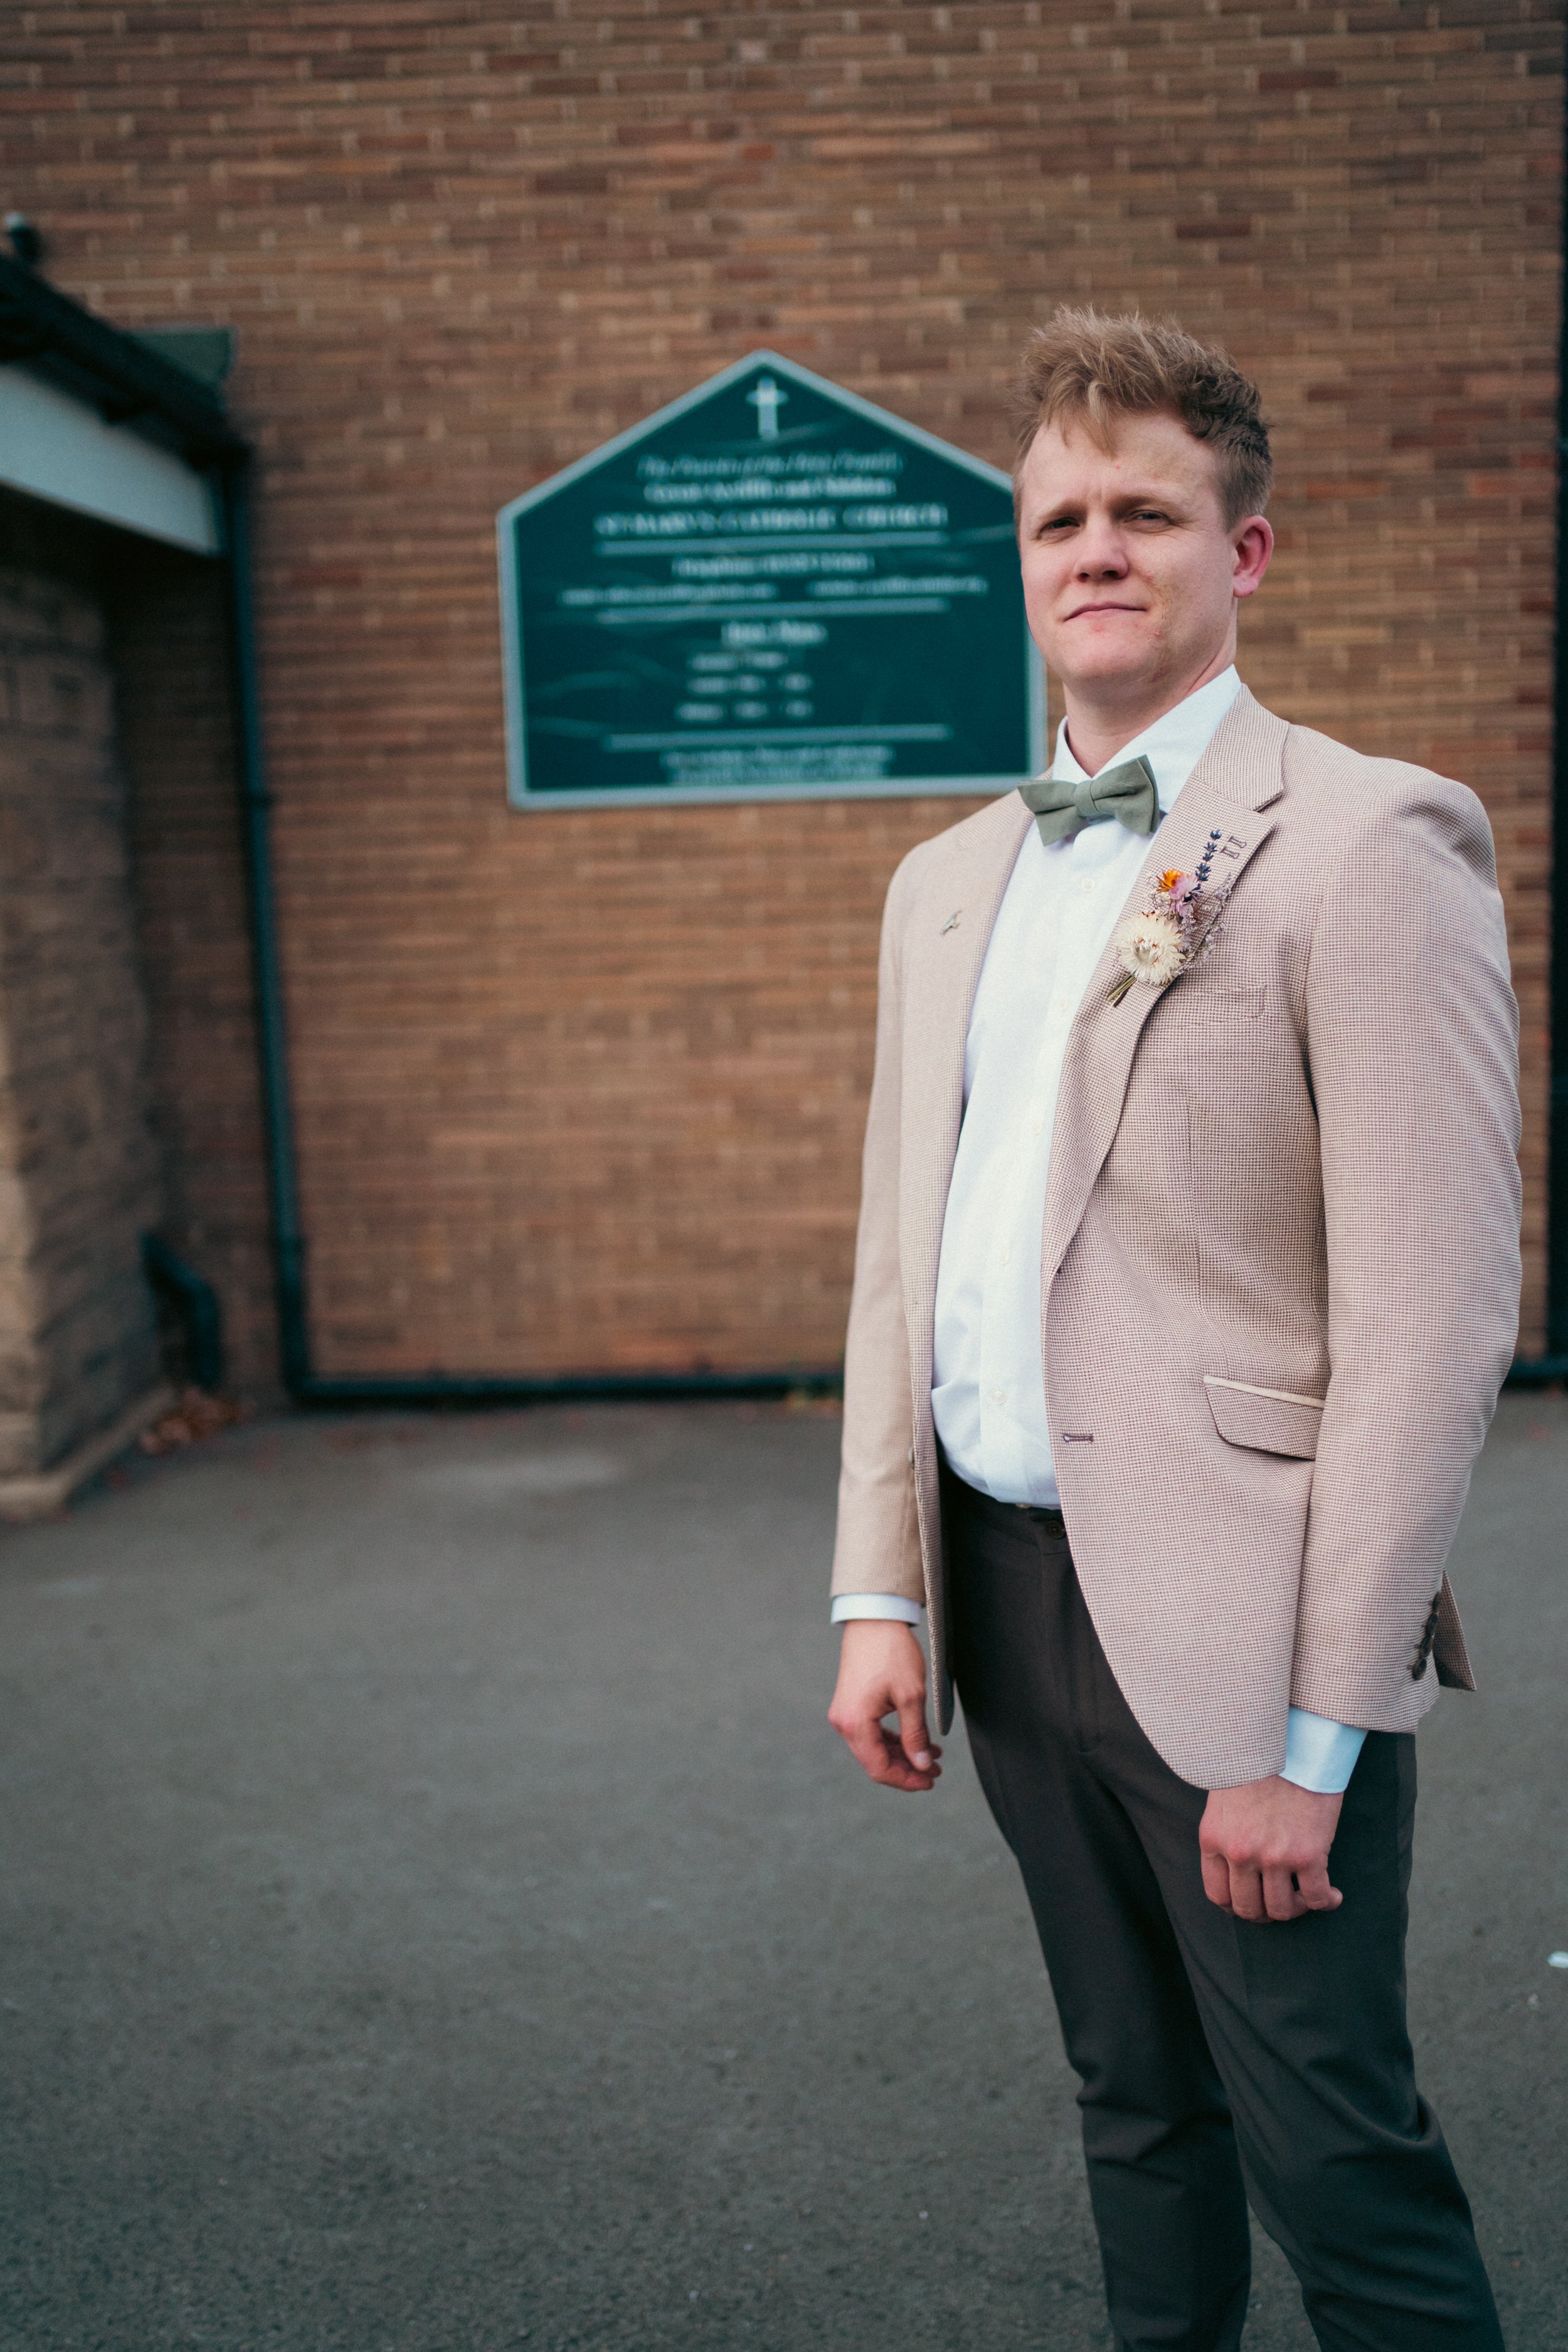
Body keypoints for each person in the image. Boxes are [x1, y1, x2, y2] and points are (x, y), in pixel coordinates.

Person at [827, 309, 1521, 2352]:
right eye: (1060, 518)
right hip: (1001, 1592)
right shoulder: (944, 881)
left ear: (1249, 550)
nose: (1097, 549)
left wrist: (1315, 1733)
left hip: (1238, 1628)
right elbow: (900, 1260)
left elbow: (1430, 1314)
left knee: (1335, 2155)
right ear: (1022, 559)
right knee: (1130, 2109)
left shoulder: (1370, 839)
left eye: (1147, 510)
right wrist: (879, 1590)